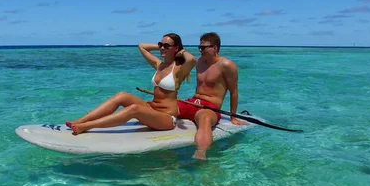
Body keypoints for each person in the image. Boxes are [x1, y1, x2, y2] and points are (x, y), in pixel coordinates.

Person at [66, 33, 196, 135]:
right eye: (160, 44)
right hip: (151, 110)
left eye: (166, 46)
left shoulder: (178, 69)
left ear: (176, 48)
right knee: (122, 95)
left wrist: (181, 51)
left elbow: (191, 60)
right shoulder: (159, 65)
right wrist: (163, 47)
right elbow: (142, 46)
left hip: (166, 118)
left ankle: (86, 126)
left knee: (135, 109)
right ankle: (80, 121)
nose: (162, 47)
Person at [176, 32, 248, 160]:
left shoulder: (226, 65)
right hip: (192, 102)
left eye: (203, 48)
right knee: (165, 106)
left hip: (210, 106)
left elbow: (234, 92)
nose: (200, 50)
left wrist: (233, 117)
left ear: (215, 48)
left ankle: (201, 152)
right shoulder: (199, 62)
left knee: (205, 119)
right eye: (199, 47)